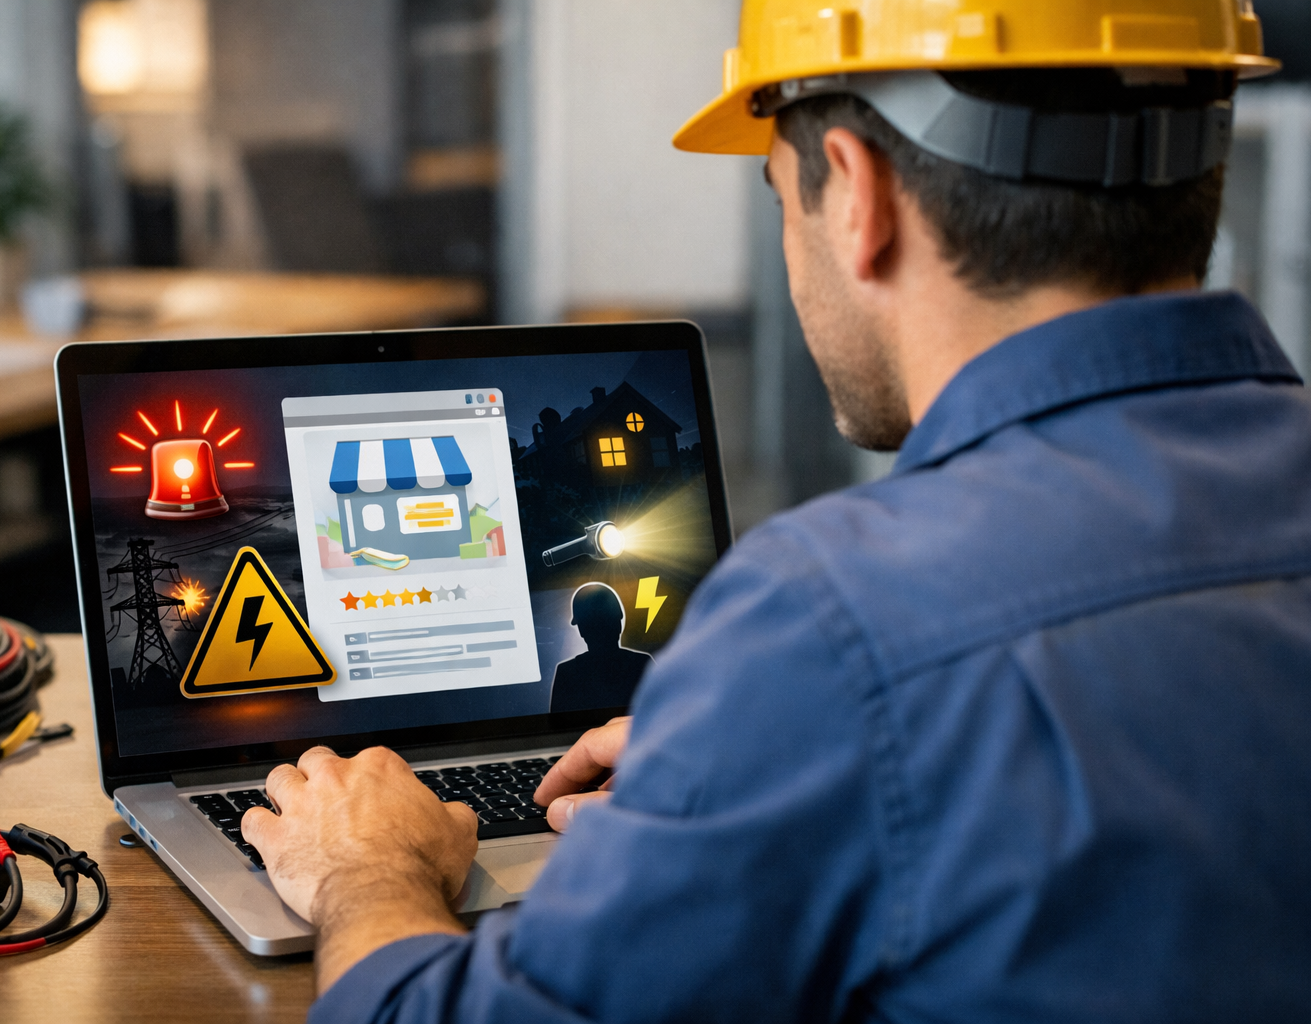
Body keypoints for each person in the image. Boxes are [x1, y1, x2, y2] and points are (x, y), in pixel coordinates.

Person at [241, 2, 1311, 1020]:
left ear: (855, 194)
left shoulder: (837, 620)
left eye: (774, 188)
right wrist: (742, 771)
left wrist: (366, 872)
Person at [549, 583, 653, 713]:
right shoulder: (641, 663)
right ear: (618, 622)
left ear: (582, 630)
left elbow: (558, 725)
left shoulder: (567, 673)